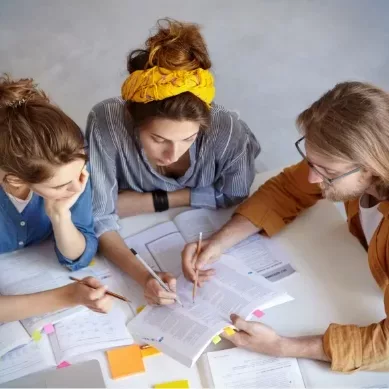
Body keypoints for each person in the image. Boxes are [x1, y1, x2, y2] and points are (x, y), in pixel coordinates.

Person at [182, 81, 389, 372]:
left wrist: (281, 346)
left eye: (327, 172)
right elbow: (288, 189)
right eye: (312, 162)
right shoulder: (359, 164)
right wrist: (219, 242)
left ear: (369, 167)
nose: (314, 178)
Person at [86, 19, 260, 305]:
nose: (173, 154)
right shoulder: (107, 121)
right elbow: (98, 217)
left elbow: (235, 193)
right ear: (132, 118)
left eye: (188, 139)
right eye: (158, 139)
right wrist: (145, 276)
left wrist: (150, 200)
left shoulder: (227, 130)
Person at [0, 75, 111, 322]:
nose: (77, 188)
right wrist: (68, 296)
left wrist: (60, 216)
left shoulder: (69, 165)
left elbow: (80, 256)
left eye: (81, 172)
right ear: (16, 180)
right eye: (60, 185)